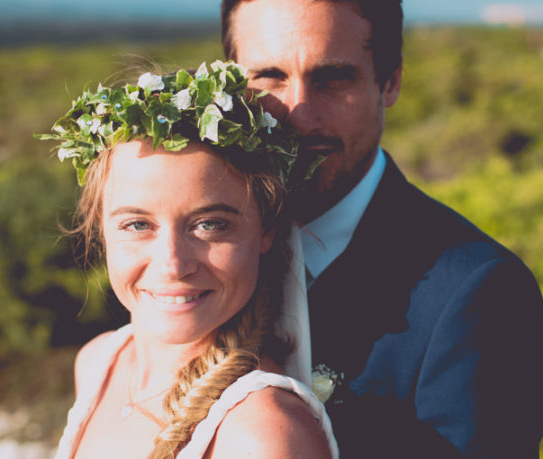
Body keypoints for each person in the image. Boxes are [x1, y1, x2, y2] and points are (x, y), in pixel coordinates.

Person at [221, 0, 543, 457]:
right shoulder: (196, 260)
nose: (300, 114)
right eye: (269, 78)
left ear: (390, 81)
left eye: (332, 78)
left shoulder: (479, 295)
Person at [39, 62, 337, 458]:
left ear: (266, 229)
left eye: (210, 224)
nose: (173, 264)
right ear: (99, 228)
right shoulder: (97, 362)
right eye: (137, 224)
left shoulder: (262, 434)